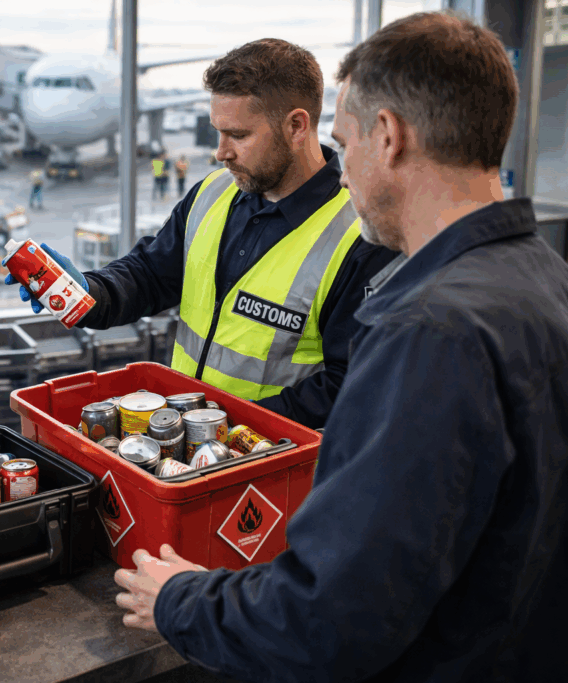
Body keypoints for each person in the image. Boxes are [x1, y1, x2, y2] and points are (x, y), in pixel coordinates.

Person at [114, 12, 568, 681]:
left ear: (387, 137)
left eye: (343, 141)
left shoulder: (430, 331)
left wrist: (182, 600)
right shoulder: (543, 275)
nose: (340, 170)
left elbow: (334, 614)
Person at [8, 39, 398, 429]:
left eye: (238, 135)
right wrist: (89, 293)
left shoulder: (360, 236)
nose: (220, 152)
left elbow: (349, 384)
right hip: (190, 450)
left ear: (296, 126)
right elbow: (149, 275)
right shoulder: (214, 192)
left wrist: (228, 430)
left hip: (273, 463)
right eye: (218, 132)